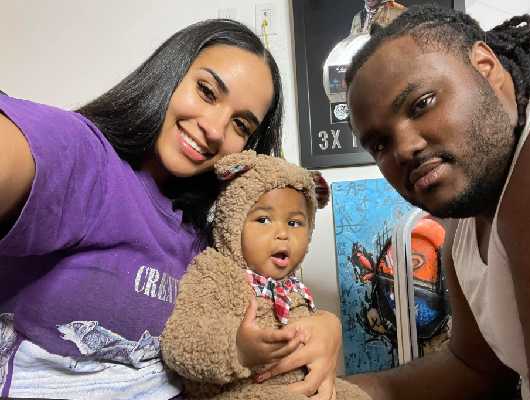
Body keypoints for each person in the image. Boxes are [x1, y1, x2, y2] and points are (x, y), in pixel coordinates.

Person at [0, 19, 340, 400]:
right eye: (207, 91)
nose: (214, 129)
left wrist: (326, 326)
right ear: (169, 73)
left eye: (240, 125)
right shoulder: (86, 160)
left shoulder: (206, 244)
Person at [344, 4, 530, 400]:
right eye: (380, 144)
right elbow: (474, 368)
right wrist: (336, 392)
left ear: (485, 66)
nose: (404, 149)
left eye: (421, 104)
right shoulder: (464, 230)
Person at [161, 150, 370, 400]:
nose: (282, 234)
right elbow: (179, 342)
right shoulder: (215, 272)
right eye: (263, 220)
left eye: (294, 223)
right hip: (241, 391)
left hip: (298, 386)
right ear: (233, 222)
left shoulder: (293, 289)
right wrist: (237, 348)